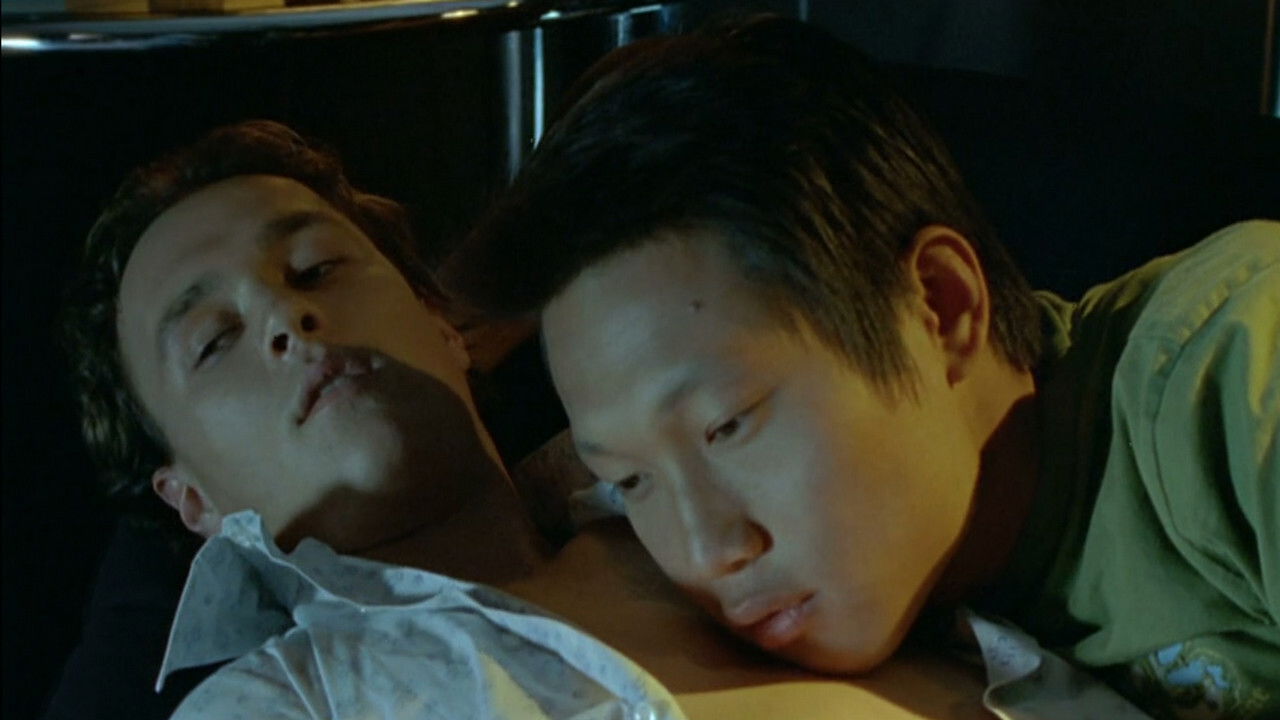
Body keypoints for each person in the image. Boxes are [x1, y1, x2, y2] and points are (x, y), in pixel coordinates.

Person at [447, 15, 1280, 720]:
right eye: (633, 482)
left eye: (728, 426)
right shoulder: (908, 571)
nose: (708, 550)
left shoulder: (1227, 368)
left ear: (941, 307)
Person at [58, 119, 990, 720]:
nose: (285, 318)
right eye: (214, 340)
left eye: (315, 270)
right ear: (191, 500)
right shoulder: (291, 699)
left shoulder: (697, 504)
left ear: (442, 322)